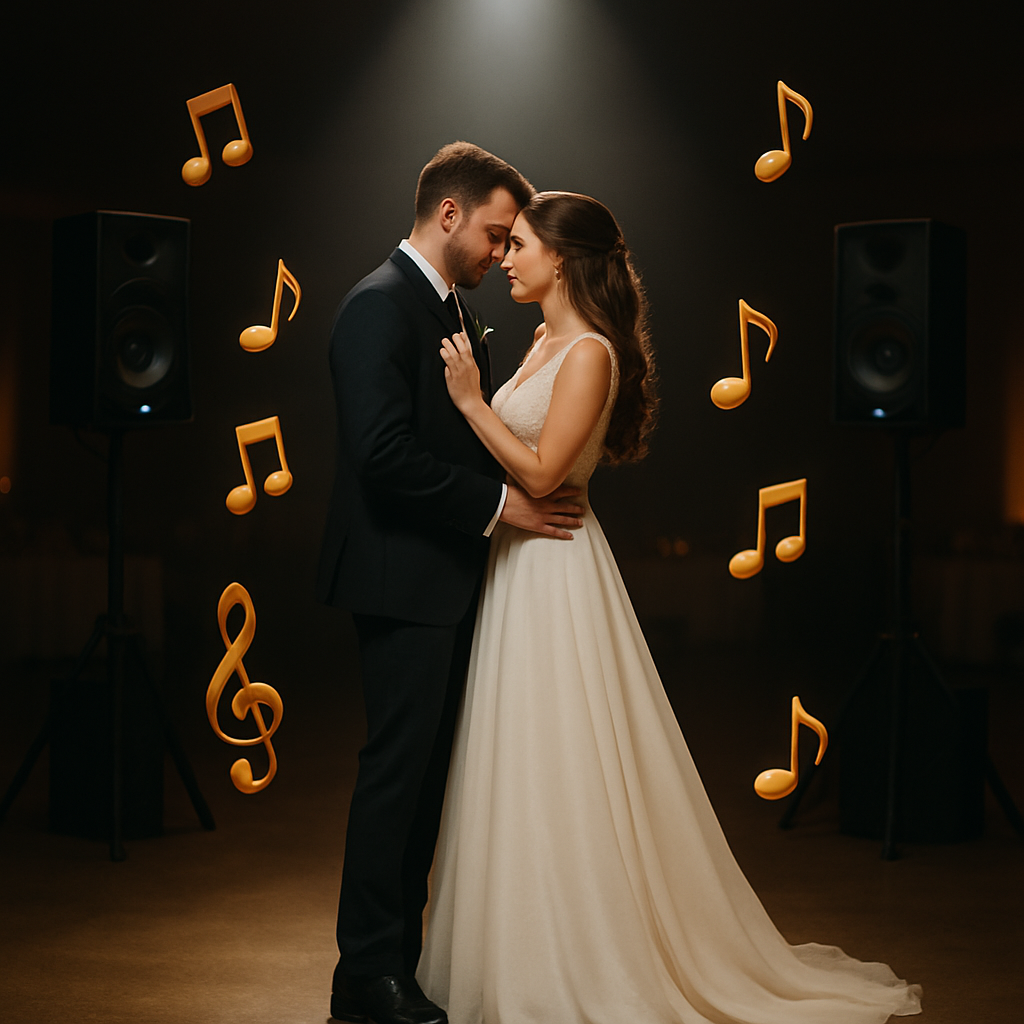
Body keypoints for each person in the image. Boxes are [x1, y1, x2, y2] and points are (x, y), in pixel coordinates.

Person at [419, 191, 923, 1023]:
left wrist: (471, 402)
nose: (505, 257)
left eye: (521, 245)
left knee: (562, 757)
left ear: (563, 259)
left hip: (554, 567)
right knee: (519, 755)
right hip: (516, 561)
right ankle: (517, 951)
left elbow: (543, 474)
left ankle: (579, 960)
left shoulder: (590, 352)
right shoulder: (542, 340)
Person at [316, 145, 586, 1024]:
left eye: (512, 241)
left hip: (446, 577)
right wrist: (505, 506)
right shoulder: (377, 306)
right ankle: (366, 974)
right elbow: (383, 456)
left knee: (427, 781)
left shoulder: (452, 310)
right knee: (397, 776)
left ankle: (397, 965)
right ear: (448, 214)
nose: (501, 253)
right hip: (399, 579)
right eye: (496, 234)